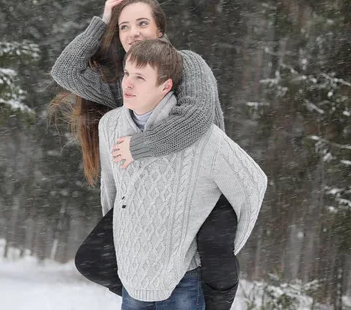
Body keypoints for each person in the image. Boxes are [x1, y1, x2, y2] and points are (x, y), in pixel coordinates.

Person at [50, 0, 238, 309]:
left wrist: (139, 146)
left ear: (159, 30)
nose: (133, 32)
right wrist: (103, 20)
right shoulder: (127, 84)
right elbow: (66, 71)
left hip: (203, 190)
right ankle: (147, 287)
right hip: (154, 200)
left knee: (213, 252)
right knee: (93, 258)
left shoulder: (188, 64)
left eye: (142, 23)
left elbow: (195, 117)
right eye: (124, 27)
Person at [98, 39, 267, 309]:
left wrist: (222, 249)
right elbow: (110, 192)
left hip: (184, 280)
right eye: (127, 73)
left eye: (140, 77)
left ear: (165, 86)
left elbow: (254, 185)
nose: (127, 83)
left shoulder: (205, 139)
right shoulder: (109, 126)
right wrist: (120, 242)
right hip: (132, 275)